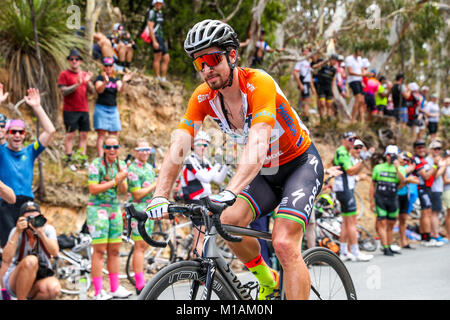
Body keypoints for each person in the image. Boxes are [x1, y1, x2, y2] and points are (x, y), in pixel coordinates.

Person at [145, 19, 324, 300]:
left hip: (299, 165)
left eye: (212, 59)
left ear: (231, 55)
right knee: (227, 220)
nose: (206, 69)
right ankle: (268, 278)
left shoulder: (259, 83)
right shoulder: (203, 97)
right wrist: (159, 195)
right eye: (199, 63)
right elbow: (179, 146)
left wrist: (230, 190)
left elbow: (258, 142)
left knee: (284, 243)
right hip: (265, 173)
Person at [0, 88, 56, 248]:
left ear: (24, 134)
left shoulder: (30, 151)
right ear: (6, 133)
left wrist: (37, 107)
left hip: (28, 204)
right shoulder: (2, 150)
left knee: (32, 243)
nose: (17, 135)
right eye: (13, 132)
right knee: (9, 244)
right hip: (5, 203)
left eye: (20, 132)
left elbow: (50, 131)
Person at [86, 135, 132, 299]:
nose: (112, 150)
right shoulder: (96, 164)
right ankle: (98, 291)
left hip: (114, 209)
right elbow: (93, 189)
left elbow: (122, 191)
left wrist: (121, 180)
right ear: (104, 148)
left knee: (115, 250)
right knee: (99, 251)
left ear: (119, 148)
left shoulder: (120, 165)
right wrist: (114, 181)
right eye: (108, 147)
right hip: (97, 209)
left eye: (115, 147)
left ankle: (114, 288)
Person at [180, 131, 228, 256]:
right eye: (199, 144)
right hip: (194, 201)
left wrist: (226, 165)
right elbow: (205, 178)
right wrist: (218, 163)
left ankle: (201, 266)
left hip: (204, 201)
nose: (203, 147)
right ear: (193, 146)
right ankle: (198, 268)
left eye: (206, 145)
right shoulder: (190, 160)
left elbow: (217, 179)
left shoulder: (204, 161)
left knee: (204, 237)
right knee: (200, 238)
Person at [0, 201, 60, 300]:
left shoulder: (48, 230)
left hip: (38, 278)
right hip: (15, 279)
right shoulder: (17, 231)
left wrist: (41, 234)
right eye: (29, 219)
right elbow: (6, 259)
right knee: (31, 261)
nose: (32, 222)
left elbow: (55, 252)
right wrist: (17, 232)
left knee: (53, 289)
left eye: (36, 218)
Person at [333, 132, 373, 262]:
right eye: (350, 139)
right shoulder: (342, 152)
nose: (352, 142)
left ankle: (344, 252)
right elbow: (350, 171)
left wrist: (362, 160)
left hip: (344, 189)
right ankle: (355, 252)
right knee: (351, 222)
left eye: (354, 139)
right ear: (343, 140)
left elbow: (353, 171)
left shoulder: (345, 152)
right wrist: (363, 160)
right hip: (345, 190)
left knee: (345, 223)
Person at [126, 139, 157, 295]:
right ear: (135, 151)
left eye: (147, 150)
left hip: (149, 209)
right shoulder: (132, 169)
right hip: (138, 210)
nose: (145, 152)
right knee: (139, 247)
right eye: (142, 149)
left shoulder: (149, 168)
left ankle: (142, 278)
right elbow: (137, 193)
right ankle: (139, 284)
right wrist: (155, 184)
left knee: (144, 246)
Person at [58, 48, 95, 171]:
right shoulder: (64, 74)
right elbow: (63, 91)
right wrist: (77, 85)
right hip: (70, 109)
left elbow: (92, 92)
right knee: (70, 135)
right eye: (72, 59)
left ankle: (81, 159)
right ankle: (68, 160)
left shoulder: (85, 74)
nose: (74, 61)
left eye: (77, 59)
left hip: (83, 109)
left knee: (83, 135)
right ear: (69, 61)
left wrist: (88, 82)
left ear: (80, 61)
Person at [370, 145, 406, 256]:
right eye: (389, 155)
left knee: (391, 224)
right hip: (380, 198)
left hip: (393, 199)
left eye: (393, 155)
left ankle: (389, 246)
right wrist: (371, 200)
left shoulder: (400, 168)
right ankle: (385, 247)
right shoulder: (378, 168)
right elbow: (372, 185)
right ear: (386, 155)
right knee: (382, 223)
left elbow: (403, 181)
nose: (391, 157)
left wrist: (396, 167)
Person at [94, 57, 133, 157]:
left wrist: (124, 81)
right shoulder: (99, 78)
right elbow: (99, 90)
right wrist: (105, 82)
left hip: (113, 109)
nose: (108, 68)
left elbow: (121, 90)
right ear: (103, 67)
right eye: (106, 66)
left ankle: (113, 157)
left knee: (114, 134)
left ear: (113, 67)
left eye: (110, 66)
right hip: (101, 108)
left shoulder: (116, 80)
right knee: (101, 135)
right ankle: (101, 157)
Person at [411, 139, 444, 247]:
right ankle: (428, 237)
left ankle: (424, 236)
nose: (421, 149)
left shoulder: (422, 160)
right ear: (415, 149)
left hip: (427, 188)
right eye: (419, 147)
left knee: (426, 212)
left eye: (423, 147)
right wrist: (435, 166)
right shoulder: (416, 160)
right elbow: (426, 176)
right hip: (421, 187)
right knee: (426, 211)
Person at [425, 140, 447, 243]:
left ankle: (435, 233)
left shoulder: (438, 159)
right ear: (430, 149)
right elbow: (435, 174)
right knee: (434, 212)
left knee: (436, 212)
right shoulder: (429, 160)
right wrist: (443, 166)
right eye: (435, 149)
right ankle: (435, 234)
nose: (437, 151)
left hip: (438, 188)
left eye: (438, 149)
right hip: (433, 189)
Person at [397, 151, 419, 249]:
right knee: (393, 220)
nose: (406, 162)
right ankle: (394, 241)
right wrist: (407, 180)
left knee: (403, 219)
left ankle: (403, 241)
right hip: (396, 195)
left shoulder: (406, 169)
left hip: (405, 195)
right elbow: (399, 185)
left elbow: (416, 180)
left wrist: (406, 181)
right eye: (404, 159)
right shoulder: (399, 169)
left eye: (408, 161)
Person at [345, 47, 373, 124]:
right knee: (357, 100)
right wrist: (361, 74)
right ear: (356, 51)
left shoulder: (360, 59)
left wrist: (367, 74)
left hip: (359, 81)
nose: (361, 53)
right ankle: (352, 119)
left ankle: (362, 120)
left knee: (361, 101)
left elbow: (362, 70)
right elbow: (350, 71)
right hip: (353, 81)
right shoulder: (349, 59)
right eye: (360, 51)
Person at [147, 0, 170, 82]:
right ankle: (157, 77)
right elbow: (150, 27)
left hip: (161, 37)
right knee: (157, 57)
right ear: (154, 3)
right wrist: (154, 41)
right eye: (158, 3)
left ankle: (163, 78)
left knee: (166, 58)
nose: (159, 4)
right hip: (156, 37)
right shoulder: (152, 12)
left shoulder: (160, 12)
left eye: (160, 3)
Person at [316, 54, 339, 120]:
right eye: (333, 60)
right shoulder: (324, 65)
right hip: (321, 87)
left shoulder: (334, 69)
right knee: (322, 104)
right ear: (330, 59)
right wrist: (324, 62)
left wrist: (332, 90)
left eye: (336, 61)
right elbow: (315, 66)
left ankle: (328, 118)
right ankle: (322, 117)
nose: (334, 62)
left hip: (328, 88)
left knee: (329, 105)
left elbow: (333, 80)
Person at [293, 47, 313, 123]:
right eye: (305, 51)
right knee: (306, 100)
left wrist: (312, 86)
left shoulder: (308, 62)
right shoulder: (300, 61)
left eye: (308, 51)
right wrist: (300, 84)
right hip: (303, 83)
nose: (307, 52)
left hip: (307, 83)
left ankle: (302, 116)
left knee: (304, 100)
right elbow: (295, 72)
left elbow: (309, 75)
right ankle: (306, 118)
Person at [443, 150, 450, 240]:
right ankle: (448, 234)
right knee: (449, 213)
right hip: (448, 190)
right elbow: (445, 181)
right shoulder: (444, 167)